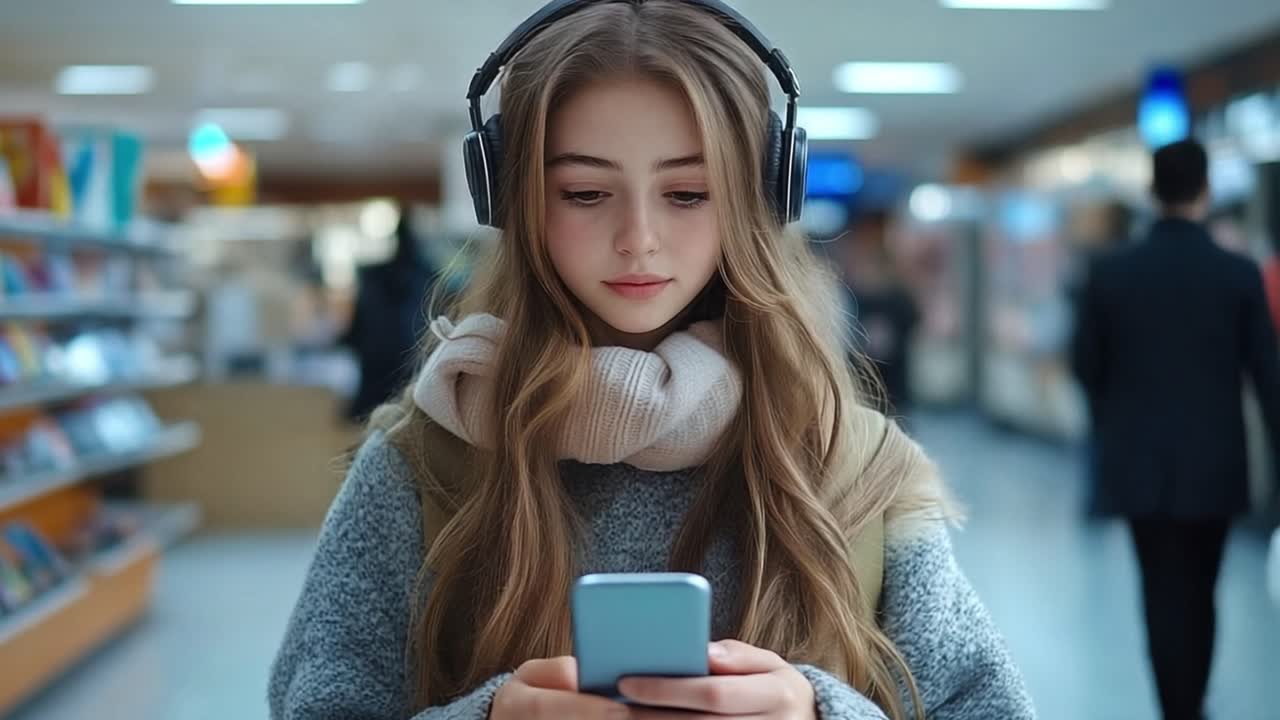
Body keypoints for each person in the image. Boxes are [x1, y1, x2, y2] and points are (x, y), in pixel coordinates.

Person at [270, 2, 1033, 719]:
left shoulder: (851, 462)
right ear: (513, 199)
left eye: (689, 192)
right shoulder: (426, 458)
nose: (638, 237)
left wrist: (819, 711)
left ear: (759, 196)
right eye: (586, 192)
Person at [1071, 138, 1280, 720]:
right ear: (1206, 190)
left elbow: (1086, 365)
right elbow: (1268, 376)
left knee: (1159, 588)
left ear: (1151, 191)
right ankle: (1194, 703)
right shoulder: (1238, 275)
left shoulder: (1112, 273)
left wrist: (1118, 416)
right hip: (1215, 463)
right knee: (1202, 588)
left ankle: (1175, 708)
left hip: (1140, 463)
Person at [340, 206, 443, 421]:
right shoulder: (428, 276)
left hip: (381, 369)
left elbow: (356, 331)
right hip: (411, 369)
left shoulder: (373, 276)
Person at [841, 210, 920, 420]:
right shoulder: (856, 293)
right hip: (869, 391)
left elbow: (913, 322)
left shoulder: (895, 294)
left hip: (889, 391)